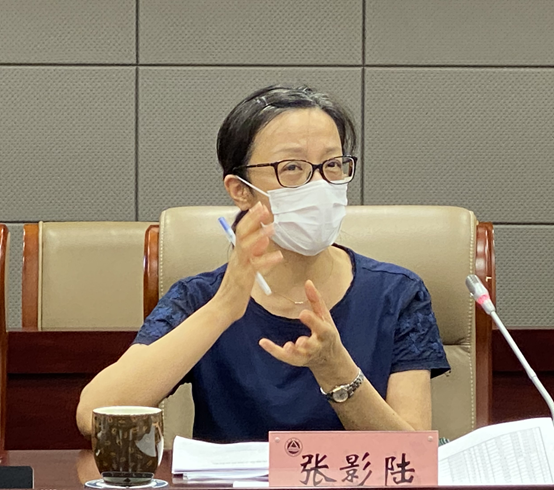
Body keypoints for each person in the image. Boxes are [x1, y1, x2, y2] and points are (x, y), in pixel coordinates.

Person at [76, 85, 450, 442]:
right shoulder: (199, 297)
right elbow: (94, 416)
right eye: (292, 168)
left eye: (333, 165)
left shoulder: (397, 294)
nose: (320, 185)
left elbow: (413, 453)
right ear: (241, 190)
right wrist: (224, 308)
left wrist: (336, 369)